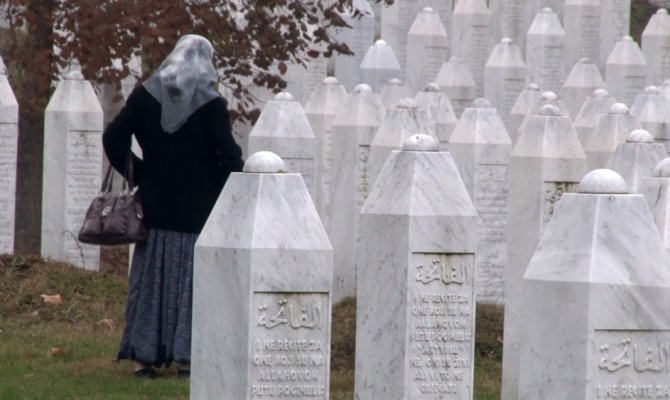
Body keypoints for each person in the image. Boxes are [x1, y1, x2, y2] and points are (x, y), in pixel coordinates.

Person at [103, 34, 244, 378]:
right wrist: (224, 189)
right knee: (189, 285)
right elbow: (230, 157)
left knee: (151, 283)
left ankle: (143, 360)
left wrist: (140, 172)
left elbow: (113, 137)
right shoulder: (211, 104)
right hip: (197, 212)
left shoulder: (145, 96)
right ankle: (187, 358)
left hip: (154, 206)